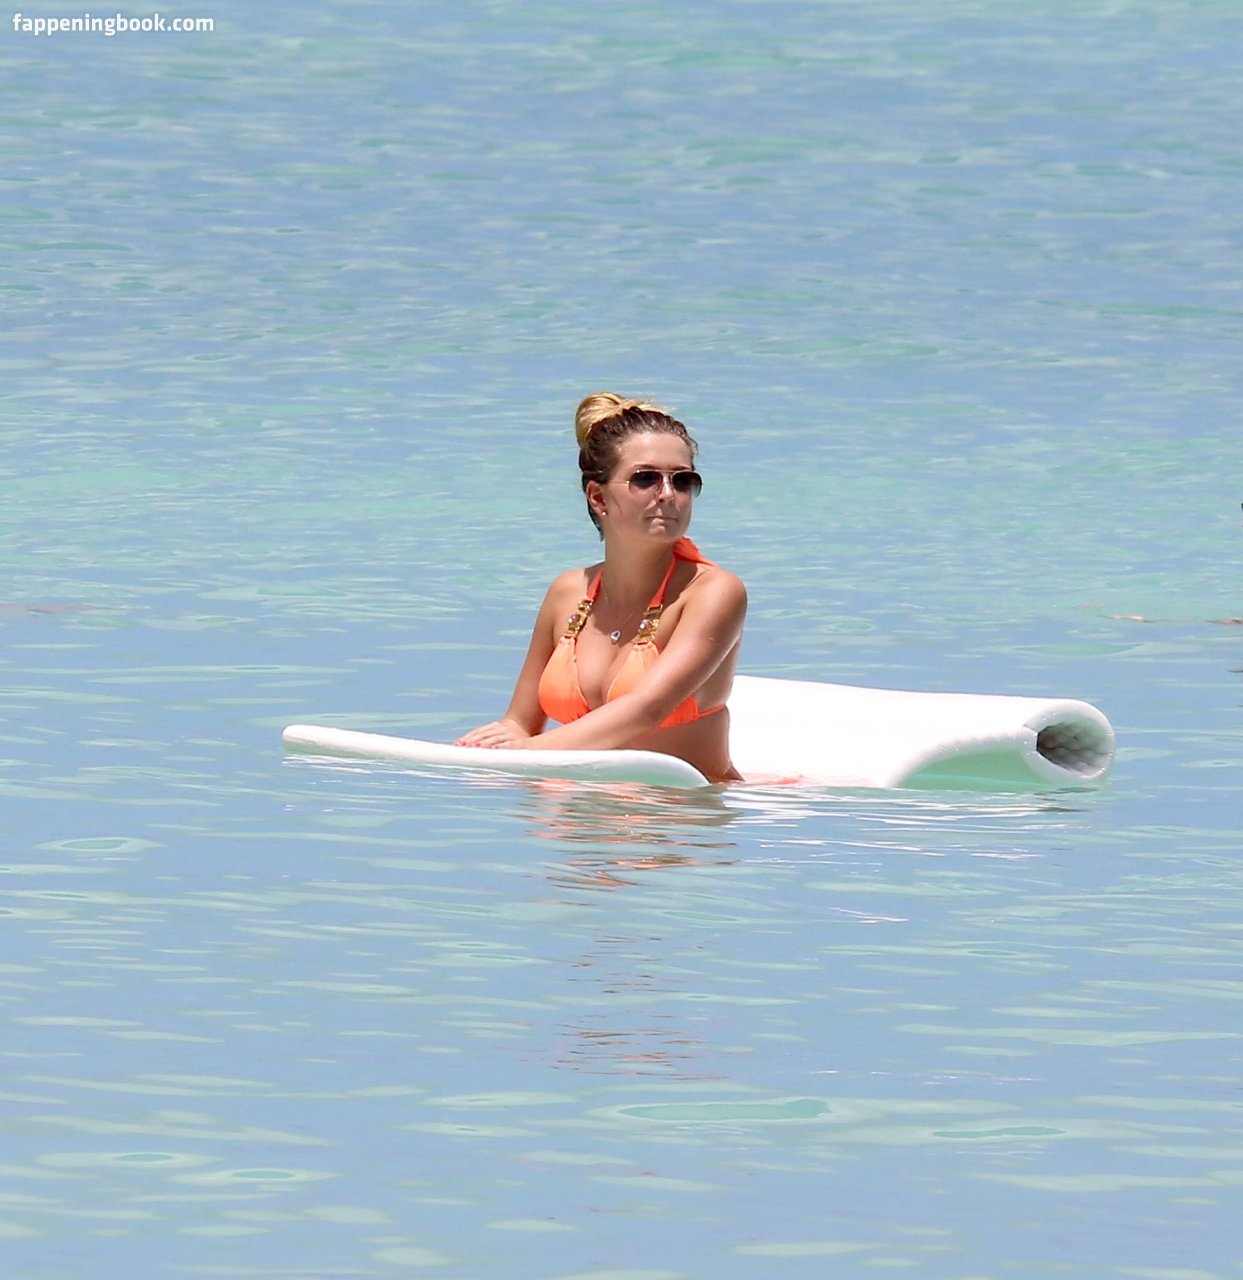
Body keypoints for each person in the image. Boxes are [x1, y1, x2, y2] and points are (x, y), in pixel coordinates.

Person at [456, 393, 747, 783]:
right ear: (597, 497)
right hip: (580, 811)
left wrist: (528, 752)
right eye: (645, 478)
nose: (667, 494)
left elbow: (647, 708)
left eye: (682, 481)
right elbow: (520, 722)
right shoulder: (567, 593)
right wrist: (490, 745)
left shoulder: (713, 592)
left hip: (680, 814)